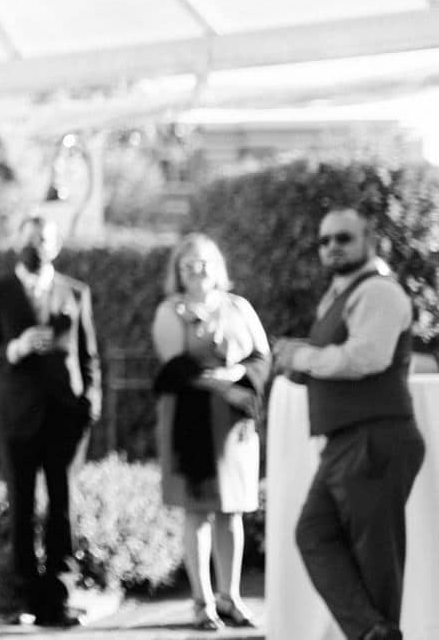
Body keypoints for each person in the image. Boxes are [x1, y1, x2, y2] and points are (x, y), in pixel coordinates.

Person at [273, 207, 426, 640]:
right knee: (314, 533)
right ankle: (373, 632)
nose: (331, 247)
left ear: (368, 239)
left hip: (374, 438)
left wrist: (301, 356)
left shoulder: (378, 291)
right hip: (348, 441)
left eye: (343, 237)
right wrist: (298, 359)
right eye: (324, 241)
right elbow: (337, 357)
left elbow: (366, 357)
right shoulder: (340, 295)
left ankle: (376, 631)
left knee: (377, 565)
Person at [0, 214, 99, 630]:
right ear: (18, 242)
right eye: (30, 239)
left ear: (56, 245)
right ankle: (26, 597)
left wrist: (90, 404)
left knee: (62, 507)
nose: (37, 246)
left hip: (65, 415)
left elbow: (89, 355)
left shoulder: (75, 292)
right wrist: (15, 348)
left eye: (45, 239)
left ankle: (59, 598)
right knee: (22, 507)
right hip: (18, 416)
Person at [149, 233, 268, 631]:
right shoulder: (170, 310)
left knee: (231, 511)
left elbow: (261, 356)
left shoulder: (239, 307)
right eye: (188, 265)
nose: (197, 271)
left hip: (234, 427)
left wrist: (239, 380)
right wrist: (225, 386)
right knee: (197, 511)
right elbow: (177, 367)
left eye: (204, 263)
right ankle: (202, 603)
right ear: (178, 273)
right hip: (191, 423)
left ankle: (230, 596)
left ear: (218, 267)